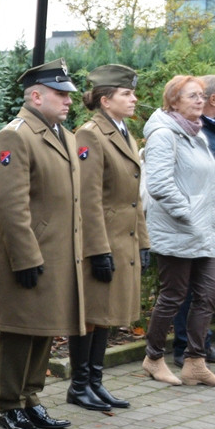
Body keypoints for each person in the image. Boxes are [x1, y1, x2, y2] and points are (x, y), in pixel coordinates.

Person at [0, 58, 84, 429]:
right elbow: (10, 204)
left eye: (68, 94)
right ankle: (9, 404)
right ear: (36, 96)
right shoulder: (15, 136)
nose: (68, 101)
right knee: (19, 330)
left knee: (45, 327)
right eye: (60, 94)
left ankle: (30, 397)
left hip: (57, 252)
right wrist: (25, 257)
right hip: (28, 253)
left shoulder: (64, 135)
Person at [67, 64, 148, 411]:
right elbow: (88, 199)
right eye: (126, 93)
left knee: (106, 313)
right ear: (105, 99)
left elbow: (133, 197)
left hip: (122, 239)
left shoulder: (124, 132)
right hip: (102, 240)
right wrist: (98, 249)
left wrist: (143, 242)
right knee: (92, 313)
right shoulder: (91, 135)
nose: (134, 99)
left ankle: (95, 382)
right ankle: (79, 385)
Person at [140, 75, 215, 387]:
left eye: (202, 95)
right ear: (174, 101)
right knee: (174, 295)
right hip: (178, 229)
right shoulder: (164, 134)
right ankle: (153, 358)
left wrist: (208, 214)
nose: (200, 100)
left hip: (203, 230)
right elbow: (159, 184)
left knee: (209, 293)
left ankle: (195, 363)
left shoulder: (195, 132)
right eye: (193, 96)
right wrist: (189, 213)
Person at [171, 75, 215, 368]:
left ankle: (201, 345)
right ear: (213, 98)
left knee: (209, 285)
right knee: (192, 285)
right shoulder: (193, 130)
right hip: (201, 220)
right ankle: (185, 348)